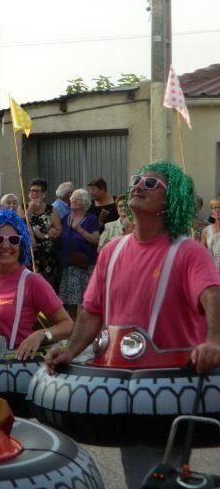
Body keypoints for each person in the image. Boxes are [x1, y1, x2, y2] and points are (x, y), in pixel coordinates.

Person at [47, 161, 220, 375]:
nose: (138, 186)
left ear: (171, 199)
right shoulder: (111, 250)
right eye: (135, 181)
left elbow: (213, 296)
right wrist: (70, 351)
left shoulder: (190, 252)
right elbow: (92, 313)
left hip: (173, 381)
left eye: (150, 183)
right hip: (115, 379)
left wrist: (214, 341)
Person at [0, 209, 73, 360]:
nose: (5, 245)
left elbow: (67, 325)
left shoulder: (33, 282)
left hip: (12, 367)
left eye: (13, 240)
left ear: (21, 244)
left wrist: (41, 335)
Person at [58, 188, 101, 317]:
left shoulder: (91, 219)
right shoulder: (65, 218)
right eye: (72, 199)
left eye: (76, 199)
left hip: (84, 266)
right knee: (70, 302)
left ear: (84, 202)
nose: (72, 200)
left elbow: (96, 240)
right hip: (68, 266)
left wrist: (79, 229)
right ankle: (70, 330)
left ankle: (83, 330)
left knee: (85, 302)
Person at [24, 178, 62, 290]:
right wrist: (30, 210)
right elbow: (20, 224)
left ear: (44, 193)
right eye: (31, 191)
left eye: (37, 191)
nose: (34, 193)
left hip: (47, 255)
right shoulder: (23, 207)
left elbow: (59, 229)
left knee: (47, 286)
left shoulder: (51, 209)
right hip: (29, 254)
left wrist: (52, 233)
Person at [201, 198, 220, 272]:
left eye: (219, 207)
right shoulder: (206, 231)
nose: (217, 210)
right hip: (211, 273)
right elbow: (202, 254)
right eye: (214, 208)